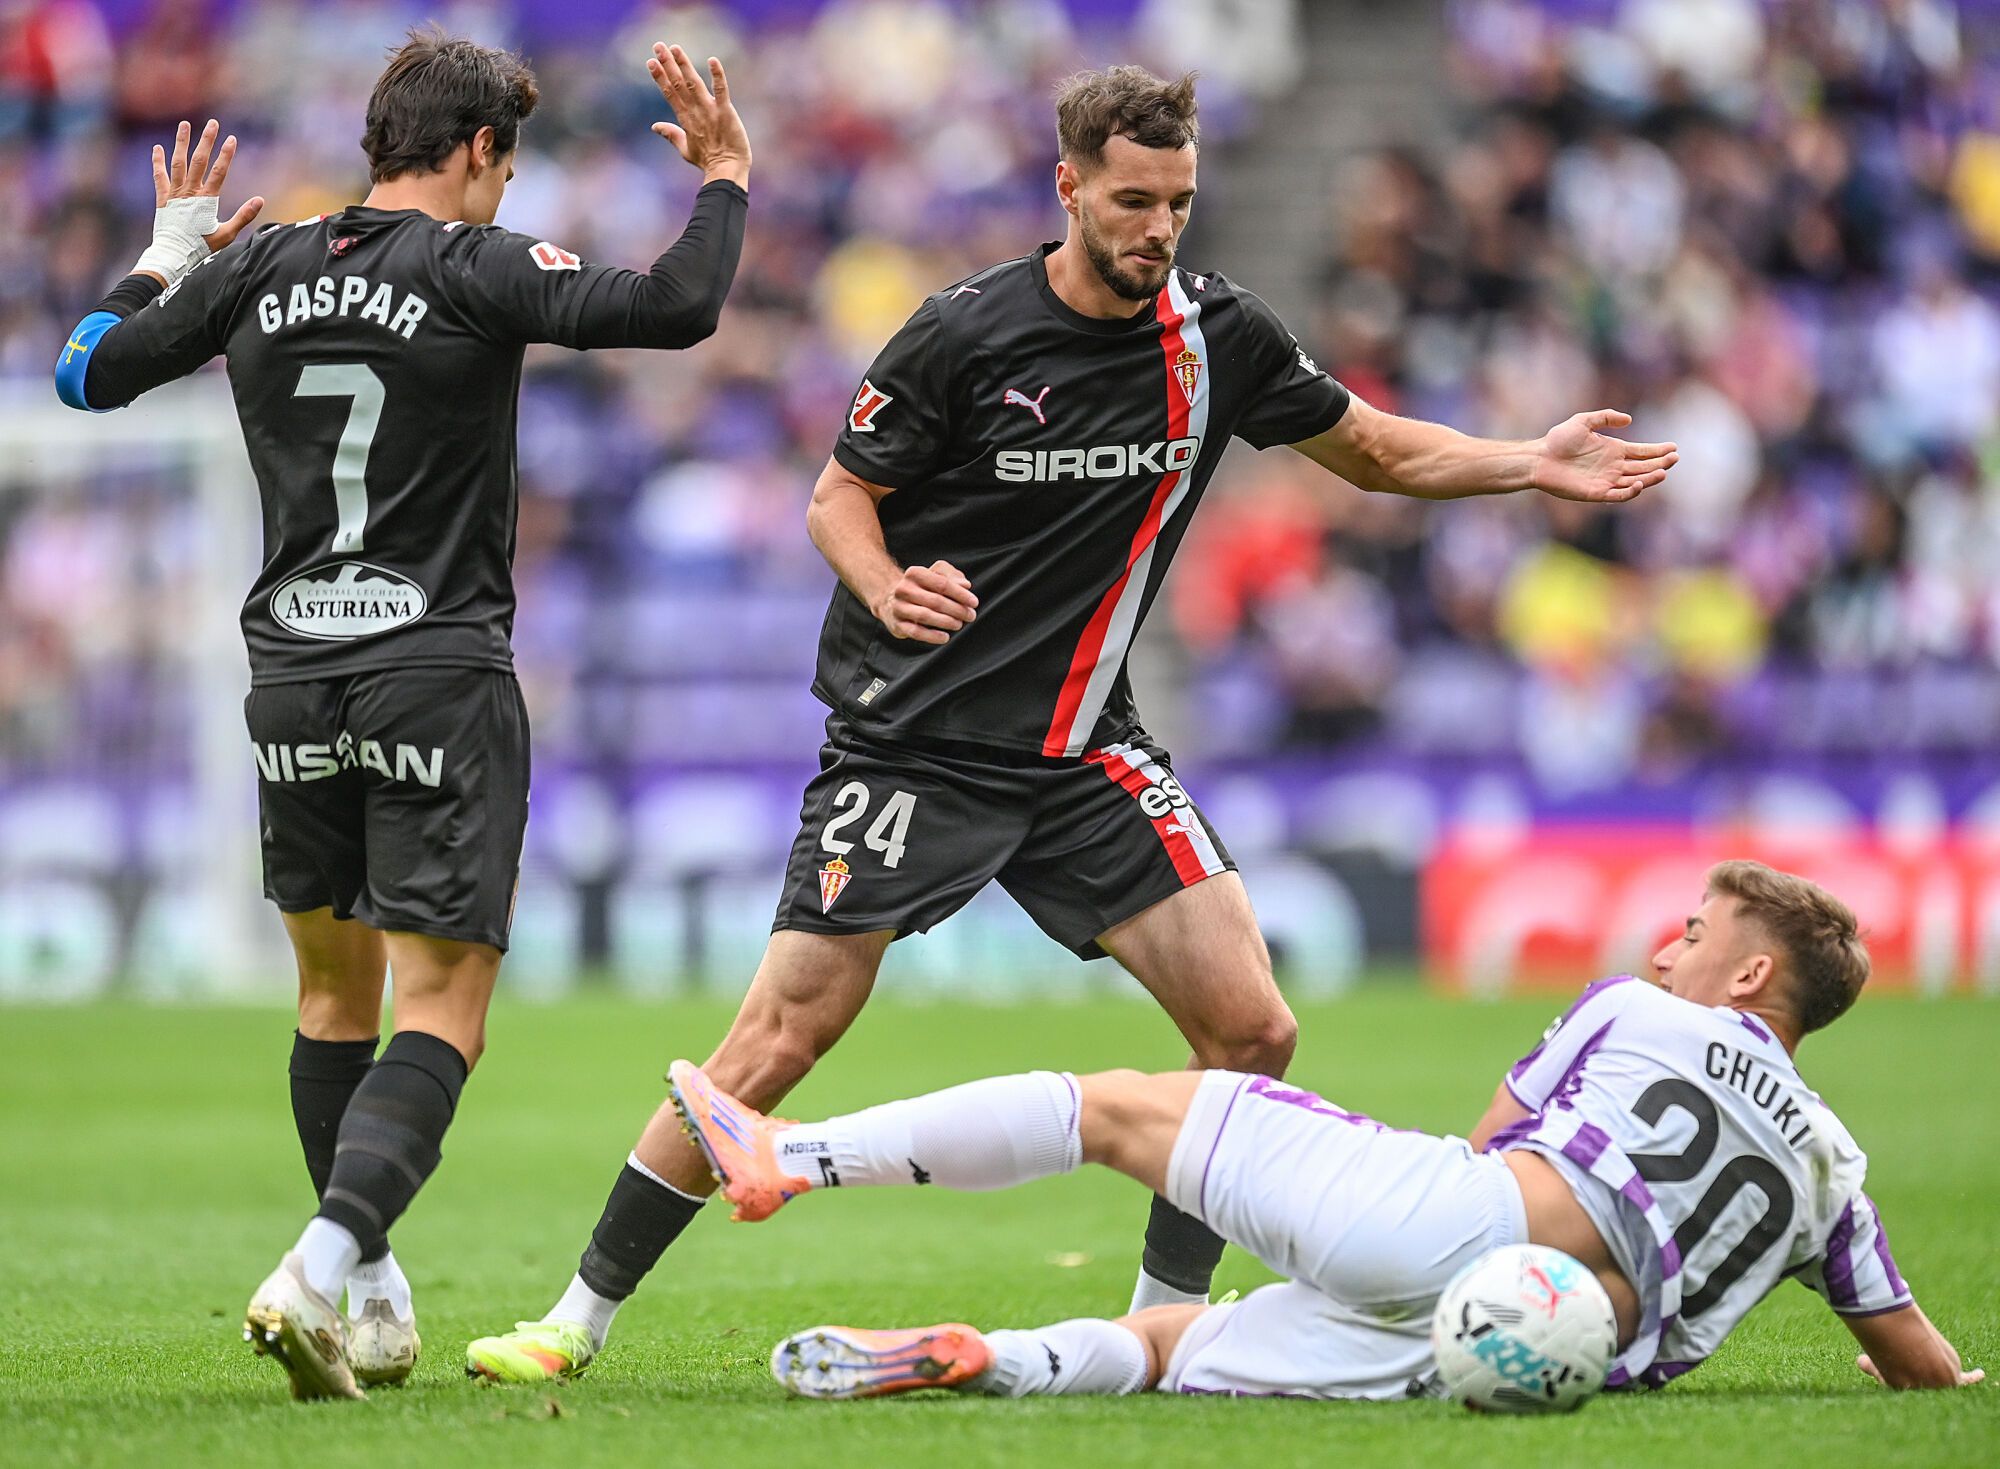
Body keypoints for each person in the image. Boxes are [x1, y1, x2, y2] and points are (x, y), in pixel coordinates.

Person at [468, 64, 1677, 1382]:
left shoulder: (1220, 339)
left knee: (1254, 1029)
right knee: (775, 1040)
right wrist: (885, 582)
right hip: (914, 740)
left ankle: (1161, 1328)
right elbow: (835, 497)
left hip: (1086, 747)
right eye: (1133, 199)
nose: (1160, 226)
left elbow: (1375, 450)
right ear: (1069, 188)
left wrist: (1527, 462)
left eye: (1181, 201)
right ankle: (571, 1321)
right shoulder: (965, 333)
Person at [53, 31, 751, 1400]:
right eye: (509, 159)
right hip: (434, 667)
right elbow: (677, 305)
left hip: (291, 677)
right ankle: (318, 1264)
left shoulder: (258, 267)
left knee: (331, 991)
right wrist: (723, 178)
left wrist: (166, 252)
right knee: (443, 1006)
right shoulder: (475, 264)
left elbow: (86, 373)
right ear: (482, 150)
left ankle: (367, 1282)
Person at [670, 861, 1981, 1403]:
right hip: (1534, 1362)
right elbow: (1915, 1355)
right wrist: (1944, 1382)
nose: (1666, 944)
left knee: (1125, 1106)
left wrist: (1372, 1211)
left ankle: (791, 1153)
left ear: (1751, 978)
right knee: (1167, 1343)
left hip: (1472, 1229)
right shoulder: (1833, 1166)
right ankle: (991, 1354)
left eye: (1698, 935)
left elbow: (1495, 1136)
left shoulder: (1637, 1011)